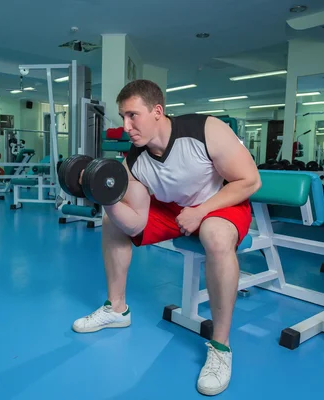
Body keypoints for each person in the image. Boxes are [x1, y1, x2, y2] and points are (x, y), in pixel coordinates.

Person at [71, 79, 262, 396]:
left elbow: (249, 180)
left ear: (157, 111)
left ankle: (221, 347)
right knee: (111, 219)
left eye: (133, 115)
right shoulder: (133, 161)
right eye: (122, 117)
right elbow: (134, 225)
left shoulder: (205, 130)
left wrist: (201, 212)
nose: (126, 126)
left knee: (215, 235)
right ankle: (117, 309)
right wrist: (103, 195)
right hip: (174, 208)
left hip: (222, 200)